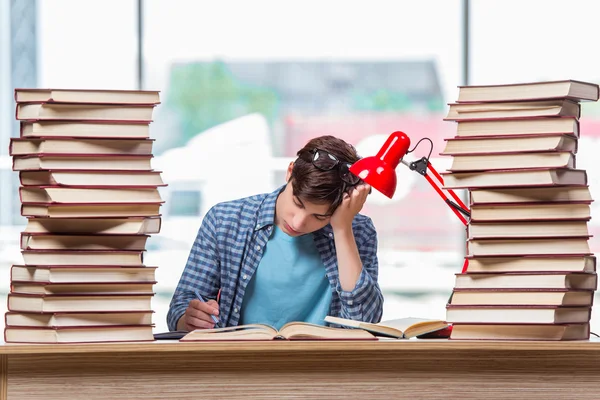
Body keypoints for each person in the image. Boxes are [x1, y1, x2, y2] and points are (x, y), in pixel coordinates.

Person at [167, 135, 383, 331]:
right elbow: (179, 308)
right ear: (289, 173)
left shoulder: (358, 231)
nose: (298, 223)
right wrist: (190, 318)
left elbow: (363, 323)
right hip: (238, 363)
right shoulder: (225, 220)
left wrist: (342, 229)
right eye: (297, 203)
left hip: (323, 366)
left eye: (319, 216)